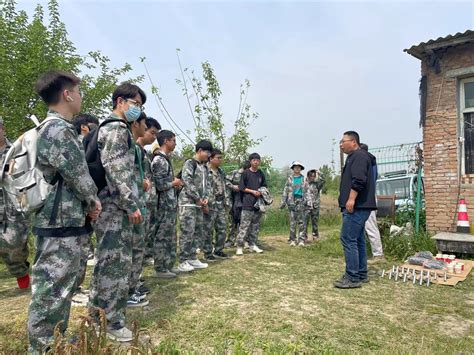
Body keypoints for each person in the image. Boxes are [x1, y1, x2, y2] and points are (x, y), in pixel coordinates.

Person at [27, 70, 101, 352]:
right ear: (67, 94)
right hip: (59, 222)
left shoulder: (56, 128)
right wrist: (94, 203)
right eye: (78, 92)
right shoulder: (58, 130)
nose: (80, 97)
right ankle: (43, 347)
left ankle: (54, 341)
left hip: (64, 220)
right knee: (51, 289)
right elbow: (78, 175)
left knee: (62, 286)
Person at [89, 82, 145, 342]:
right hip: (115, 206)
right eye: (135, 104)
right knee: (115, 264)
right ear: (120, 101)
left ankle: (96, 317)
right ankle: (111, 322)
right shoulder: (115, 128)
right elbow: (115, 168)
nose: (138, 109)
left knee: (107, 262)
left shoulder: (114, 128)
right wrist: (130, 203)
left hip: (113, 204)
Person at [335, 131, 376, 289]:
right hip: (359, 206)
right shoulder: (356, 157)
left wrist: (351, 199)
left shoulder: (359, 156)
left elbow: (359, 180)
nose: (341, 144)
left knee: (348, 239)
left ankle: (352, 277)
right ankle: (360, 272)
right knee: (357, 239)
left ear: (353, 142)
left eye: (343, 141)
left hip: (357, 206)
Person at [0, 117, 30, 289]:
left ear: (3, 129)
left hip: (13, 207)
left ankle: (21, 272)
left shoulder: (15, 151)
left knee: (14, 246)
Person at [177, 140, 213, 272]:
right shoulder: (189, 163)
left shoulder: (204, 167)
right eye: (207, 152)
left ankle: (192, 257)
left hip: (199, 204)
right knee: (187, 231)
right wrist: (197, 198)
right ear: (199, 151)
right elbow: (187, 181)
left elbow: (208, 185)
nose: (208, 155)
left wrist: (205, 199)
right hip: (188, 203)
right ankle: (183, 260)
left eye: (210, 153)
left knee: (198, 231)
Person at [127, 112, 150, 307]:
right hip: (130, 205)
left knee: (137, 249)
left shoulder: (136, 149)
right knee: (130, 250)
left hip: (138, 204)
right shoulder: (126, 144)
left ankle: (132, 288)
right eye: (145, 125)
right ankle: (127, 291)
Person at [151, 130, 182, 278]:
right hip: (163, 205)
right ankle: (160, 267)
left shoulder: (166, 159)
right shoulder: (159, 160)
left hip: (170, 204)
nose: (175, 144)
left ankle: (169, 264)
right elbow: (157, 184)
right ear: (166, 141)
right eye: (173, 140)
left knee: (170, 236)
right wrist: (173, 182)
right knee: (162, 236)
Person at [137, 117, 161, 261]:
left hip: (148, 200)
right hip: (138, 200)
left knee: (146, 232)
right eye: (152, 133)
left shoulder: (144, 153)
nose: (154, 137)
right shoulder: (134, 149)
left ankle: (144, 256)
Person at [235, 153, 266, 256]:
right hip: (247, 204)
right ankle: (240, 246)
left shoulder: (261, 173)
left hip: (258, 205)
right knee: (244, 226)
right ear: (250, 161)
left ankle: (253, 245)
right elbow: (241, 187)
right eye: (254, 160)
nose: (256, 162)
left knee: (255, 227)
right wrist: (253, 191)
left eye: (258, 160)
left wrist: (261, 192)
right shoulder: (245, 173)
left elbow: (264, 186)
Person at [359, 143, 385, 263]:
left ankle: (378, 254)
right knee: (364, 226)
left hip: (366, 197)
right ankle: (367, 252)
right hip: (368, 196)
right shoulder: (372, 162)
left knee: (370, 226)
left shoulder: (367, 162)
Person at [203, 149, 229, 261]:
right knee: (208, 229)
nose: (220, 160)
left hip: (220, 202)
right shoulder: (205, 170)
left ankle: (219, 250)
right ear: (211, 158)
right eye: (218, 158)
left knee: (222, 227)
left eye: (221, 157)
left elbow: (224, 186)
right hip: (210, 203)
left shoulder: (221, 171)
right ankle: (208, 252)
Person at [225, 160, 250, 248]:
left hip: (246, 199)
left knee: (244, 221)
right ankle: (230, 241)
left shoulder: (250, 174)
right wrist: (233, 186)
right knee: (233, 221)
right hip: (234, 199)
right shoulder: (235, 173)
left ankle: (244, 240)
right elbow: (226, 181)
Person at [281, 161, 307, 246]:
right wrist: (283, 201)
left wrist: (308, 202)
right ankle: (292, 240)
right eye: (295, 167)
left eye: (298, 167)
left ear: (301, 168)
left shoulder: (304, 179)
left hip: (301, 201)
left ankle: (301, 240)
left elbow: (307, 191)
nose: (297, 168)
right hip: (291, 202)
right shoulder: (289, 178)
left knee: (302, 221)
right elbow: (285, 190)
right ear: (293, 168)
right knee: (292, 221)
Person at [303, 169, 325, 241]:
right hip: (306, 206)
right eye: (311, 176)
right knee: (305, 223)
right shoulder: (304, 184)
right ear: (308, 176)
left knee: (315, 222)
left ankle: (315, 236)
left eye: (314, 176)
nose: (313, 177)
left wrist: (320, 173)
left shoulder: (317, 184)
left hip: (315, 206)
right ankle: (304, 237)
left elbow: (323, 181)